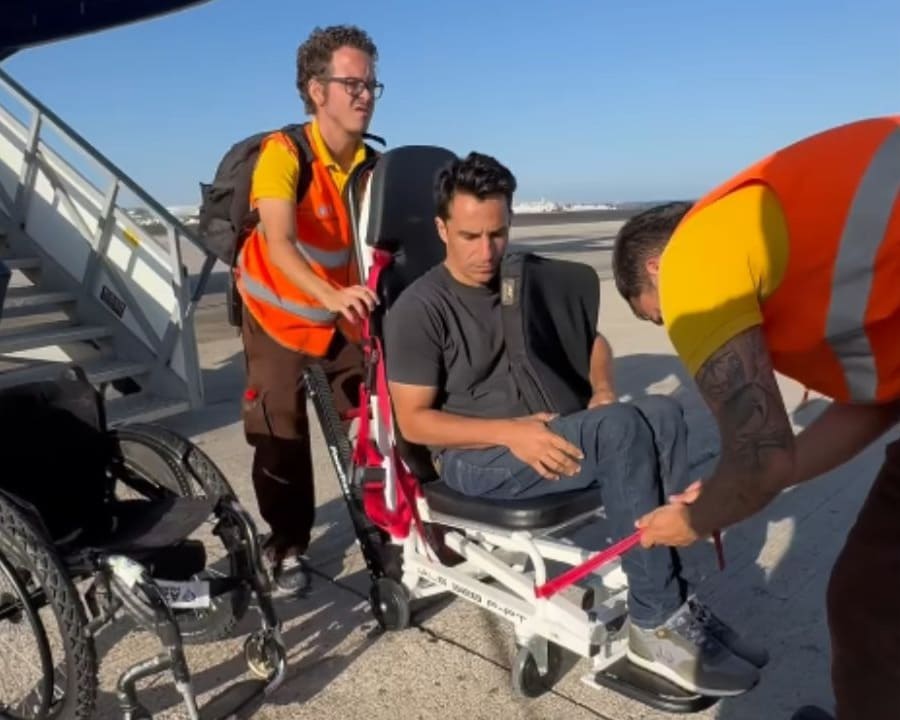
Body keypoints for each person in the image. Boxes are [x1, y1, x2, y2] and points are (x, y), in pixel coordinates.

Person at [383, 151, 767, 697]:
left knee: (660, 414)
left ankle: (672, 597)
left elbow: (594, 344)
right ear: (443, 228)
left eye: (497, 233)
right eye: (470, 235)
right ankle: (653, 623)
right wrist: (510, 431)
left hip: (548, 433)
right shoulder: (421, 310)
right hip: (476, 454)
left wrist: (604, 390)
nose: (486, 251)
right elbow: (415, 423)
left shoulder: (523, 283)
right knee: (622, 431)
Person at [610, 115, 900, 720]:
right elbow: (874, 405)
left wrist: (693, 518)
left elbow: (759, 460)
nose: (679, 335)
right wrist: (739, 486)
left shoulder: (695, 261)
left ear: (659, 271)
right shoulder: (774, 228)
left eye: (660, 318)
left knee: (870, 605)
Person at [235, 25, 383, 595]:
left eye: (371, 84)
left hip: (338, 313)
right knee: (280, 430)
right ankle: (287, 544)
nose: (365, 94)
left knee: (375, 414)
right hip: (276, 313)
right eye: (352, 83)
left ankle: (389, 521)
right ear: (317, 91)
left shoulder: (373, 164)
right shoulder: (284, 153)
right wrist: (330, 295)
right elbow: (278, 243)